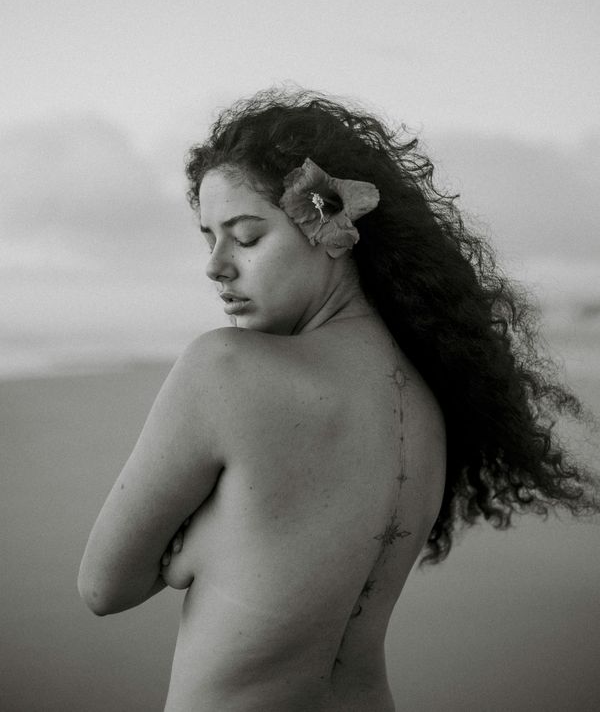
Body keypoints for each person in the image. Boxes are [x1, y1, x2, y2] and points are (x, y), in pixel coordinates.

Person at [78, 89, 597, 712]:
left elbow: (104, 588)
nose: (215, 266)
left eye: (245, 237)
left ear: (331, 230)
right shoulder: (428, 401)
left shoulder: (224, 369)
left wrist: (193, 547)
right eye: (208, 238)